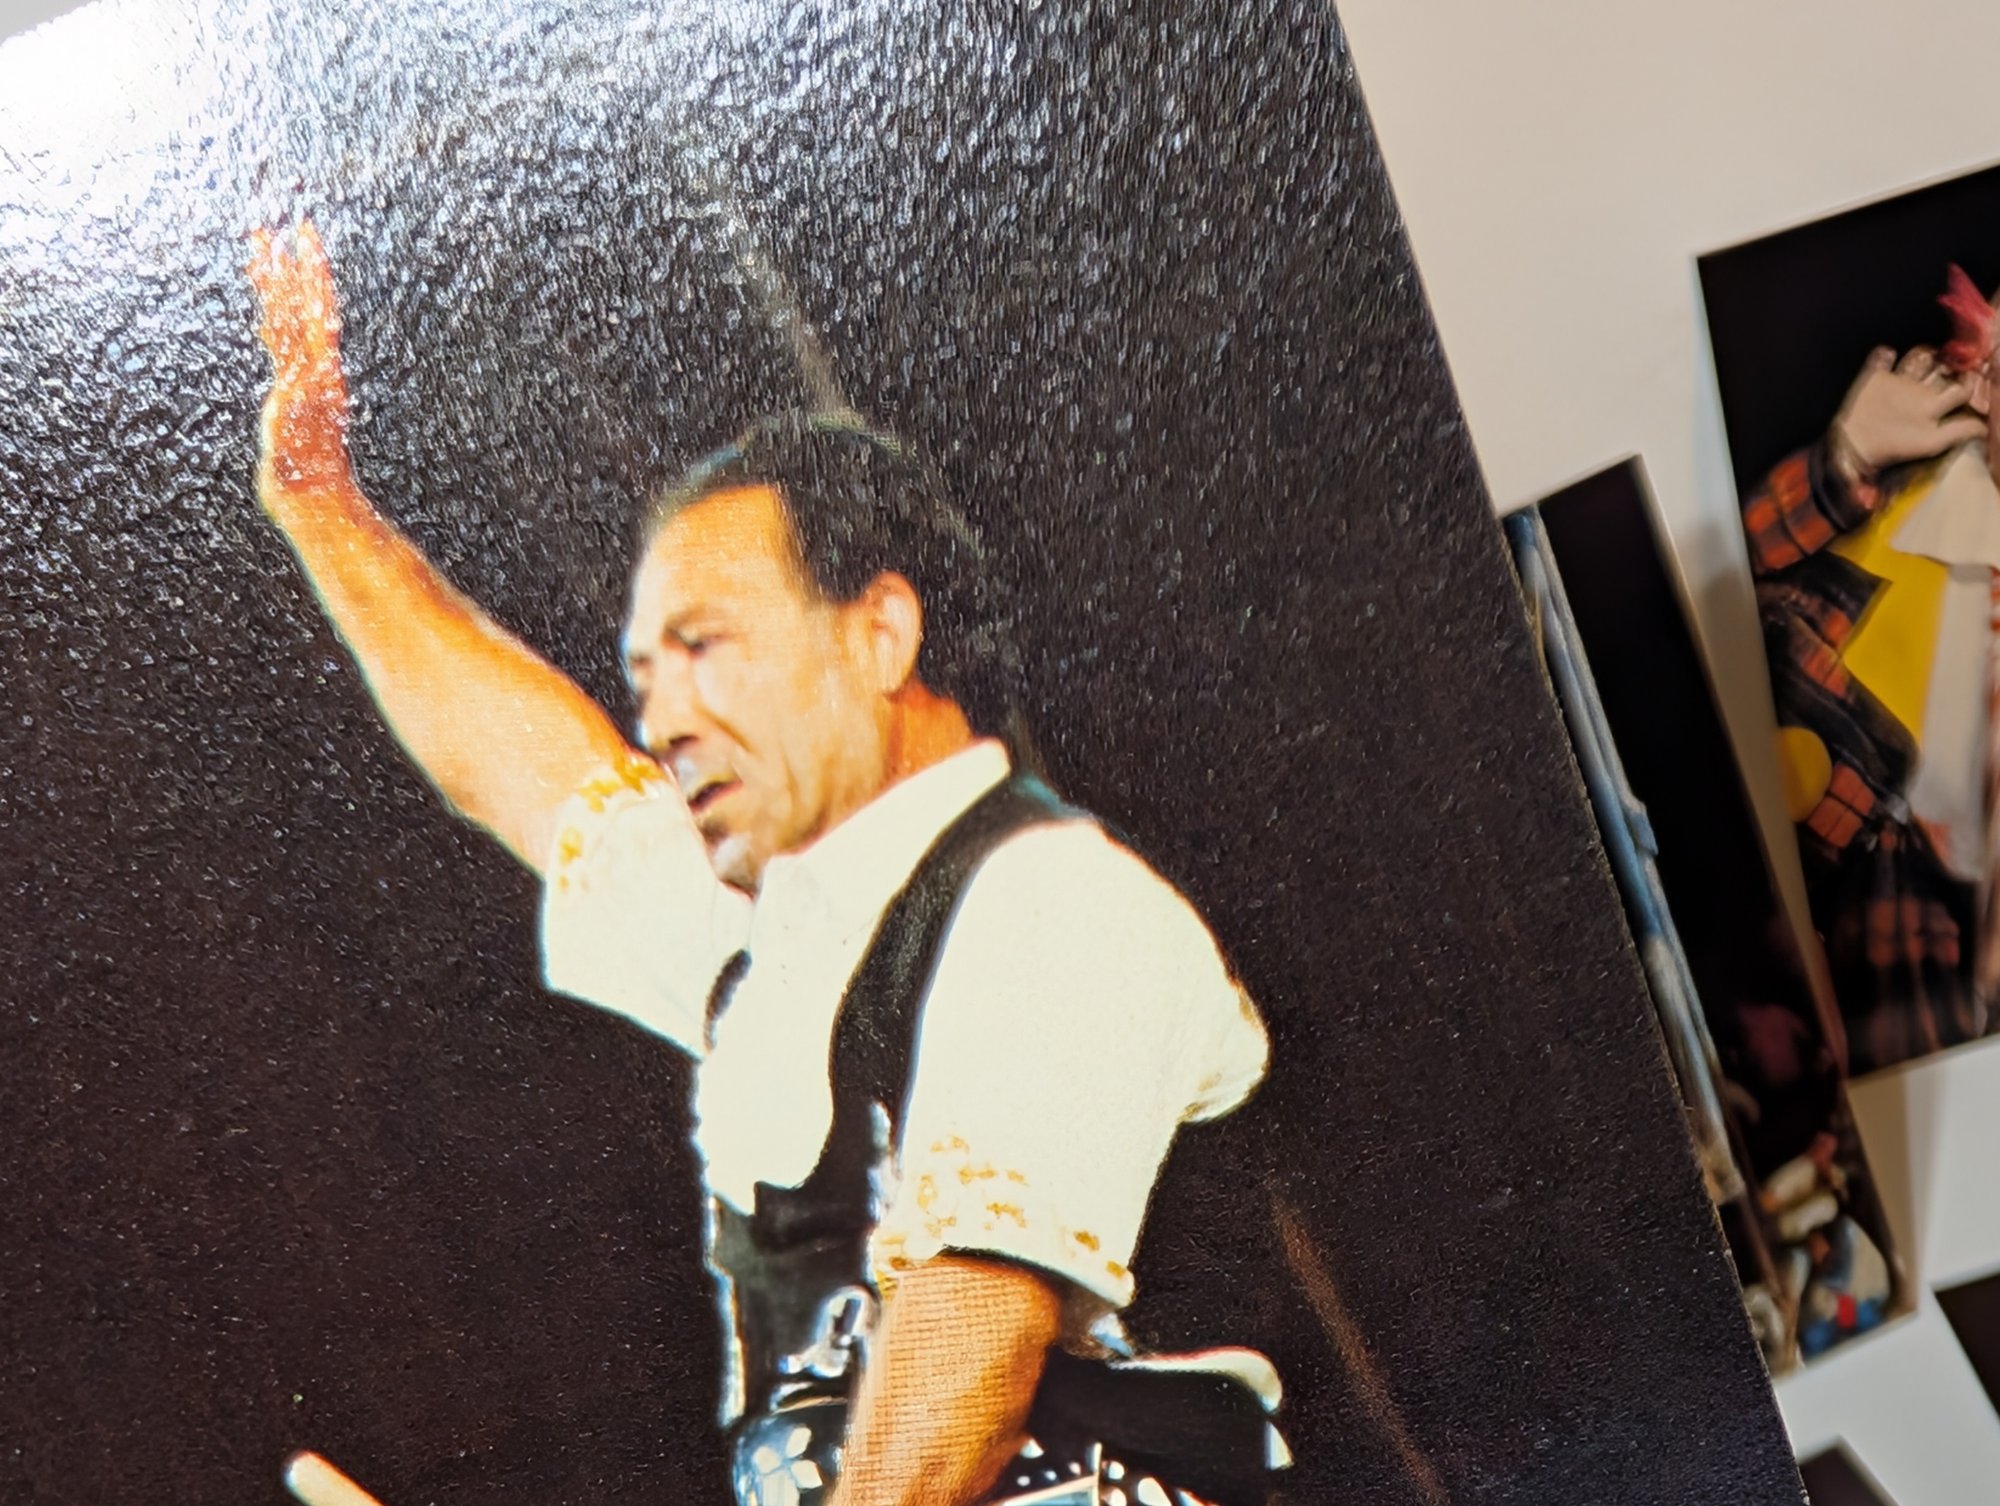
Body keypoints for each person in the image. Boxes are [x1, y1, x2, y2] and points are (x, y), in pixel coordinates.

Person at [247, 220, 1284, 1506]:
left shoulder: (1052, 903)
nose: (663, 719)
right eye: (646, 673)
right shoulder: (787, 950)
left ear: (879, 632)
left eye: (709, 648)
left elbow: (960, 1377)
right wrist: (321, 510)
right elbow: (536, 777)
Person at [1741, 269, 2000, 1073]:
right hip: (1762, 910)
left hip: (1922, 978)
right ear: (1983, 383)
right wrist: (1848, 452)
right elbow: (1698, 596)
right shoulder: (1887, 506)